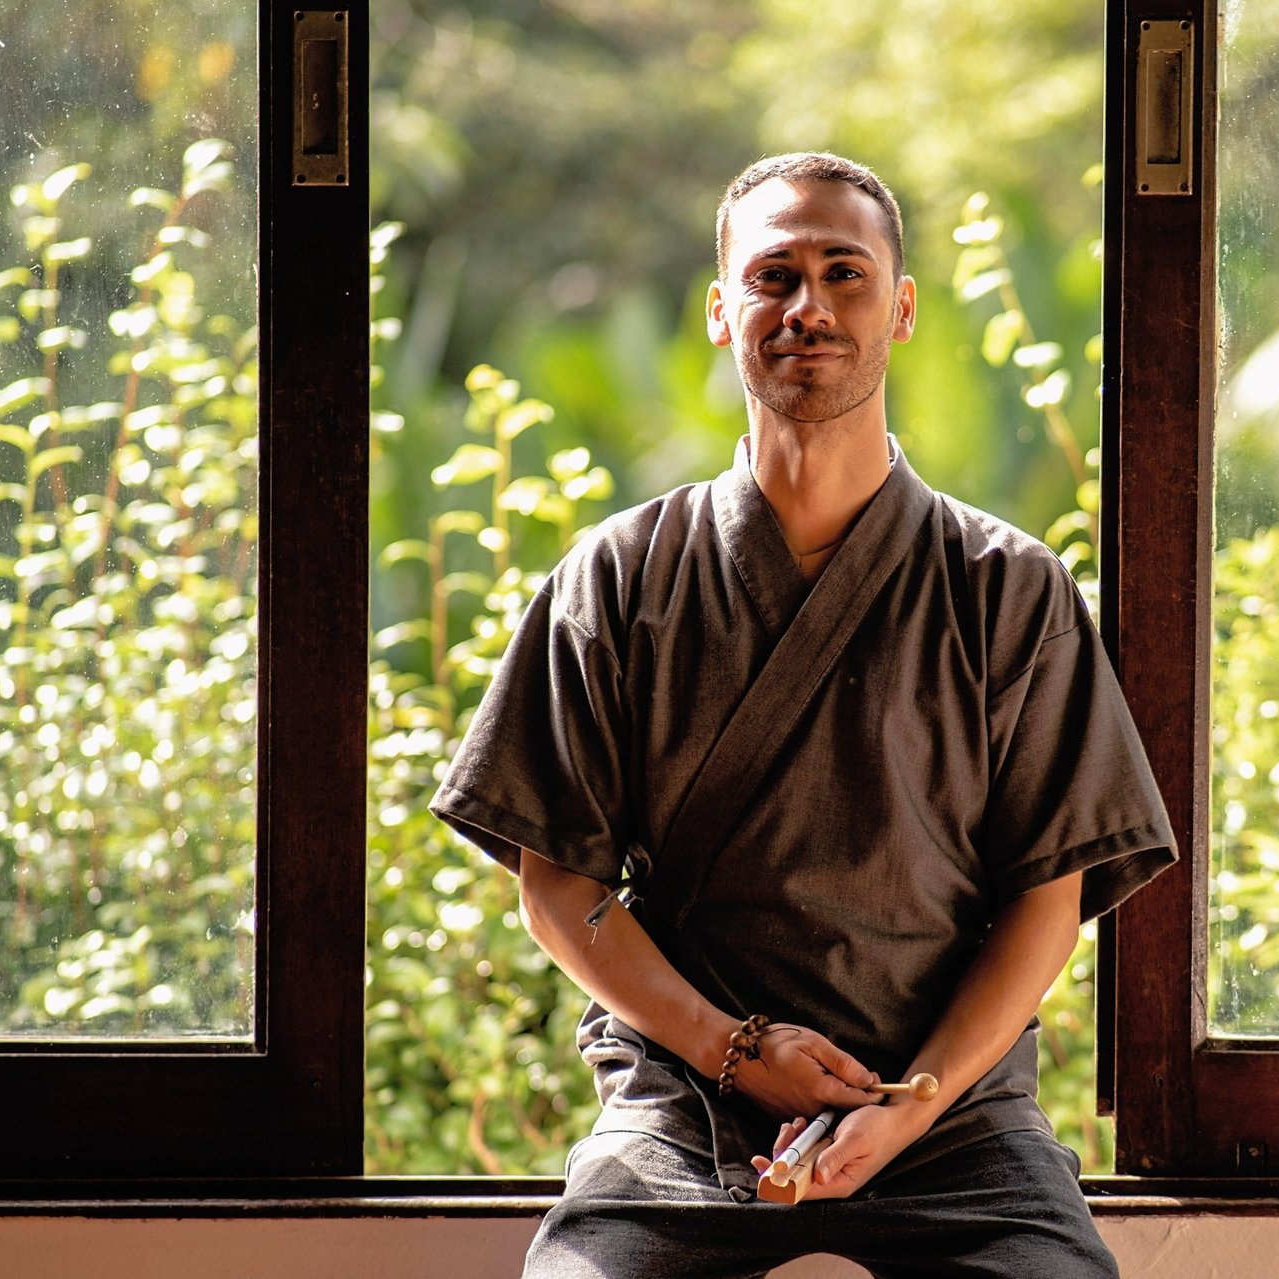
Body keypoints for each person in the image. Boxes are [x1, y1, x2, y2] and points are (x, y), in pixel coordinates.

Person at [430, 152, 1176, 1278]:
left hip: (951, 1120)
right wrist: (734, 1052)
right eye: (773, 276)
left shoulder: (1007, 586)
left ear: (902, 308)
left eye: (845, 273)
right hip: (685, 1112)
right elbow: (559, 889)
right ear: (720, 311)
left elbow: (1047, 901)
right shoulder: (620, 576)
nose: (808, 307)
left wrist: (910, 1105)